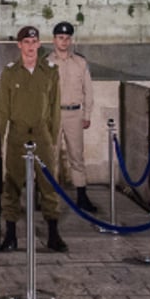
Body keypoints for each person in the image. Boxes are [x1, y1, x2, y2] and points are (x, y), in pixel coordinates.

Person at [0, 25, 68, 252]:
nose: (30, 47)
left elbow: (55, 108)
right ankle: (11, 235)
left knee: (48, 185)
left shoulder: (50, 71)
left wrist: (52, 139)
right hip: (17, 134)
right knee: (12, 184)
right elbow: (2, 109)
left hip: (41, 135)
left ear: (38, 45)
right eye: (26, 42)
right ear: (19, 45)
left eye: (34, 43)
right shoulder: (10, 72)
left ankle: (53, 234)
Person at [51, 20, 98, 213]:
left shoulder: (80, 62)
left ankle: (81, 195)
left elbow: (88, 90)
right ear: (54, 40)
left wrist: (86, 114)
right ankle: (48, 194)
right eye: (61, 38)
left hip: (74, 114)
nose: (64, 42)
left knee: (76, 156)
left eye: (67, 38)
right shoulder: (46, 62)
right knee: (50, 155)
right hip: (53, 114)